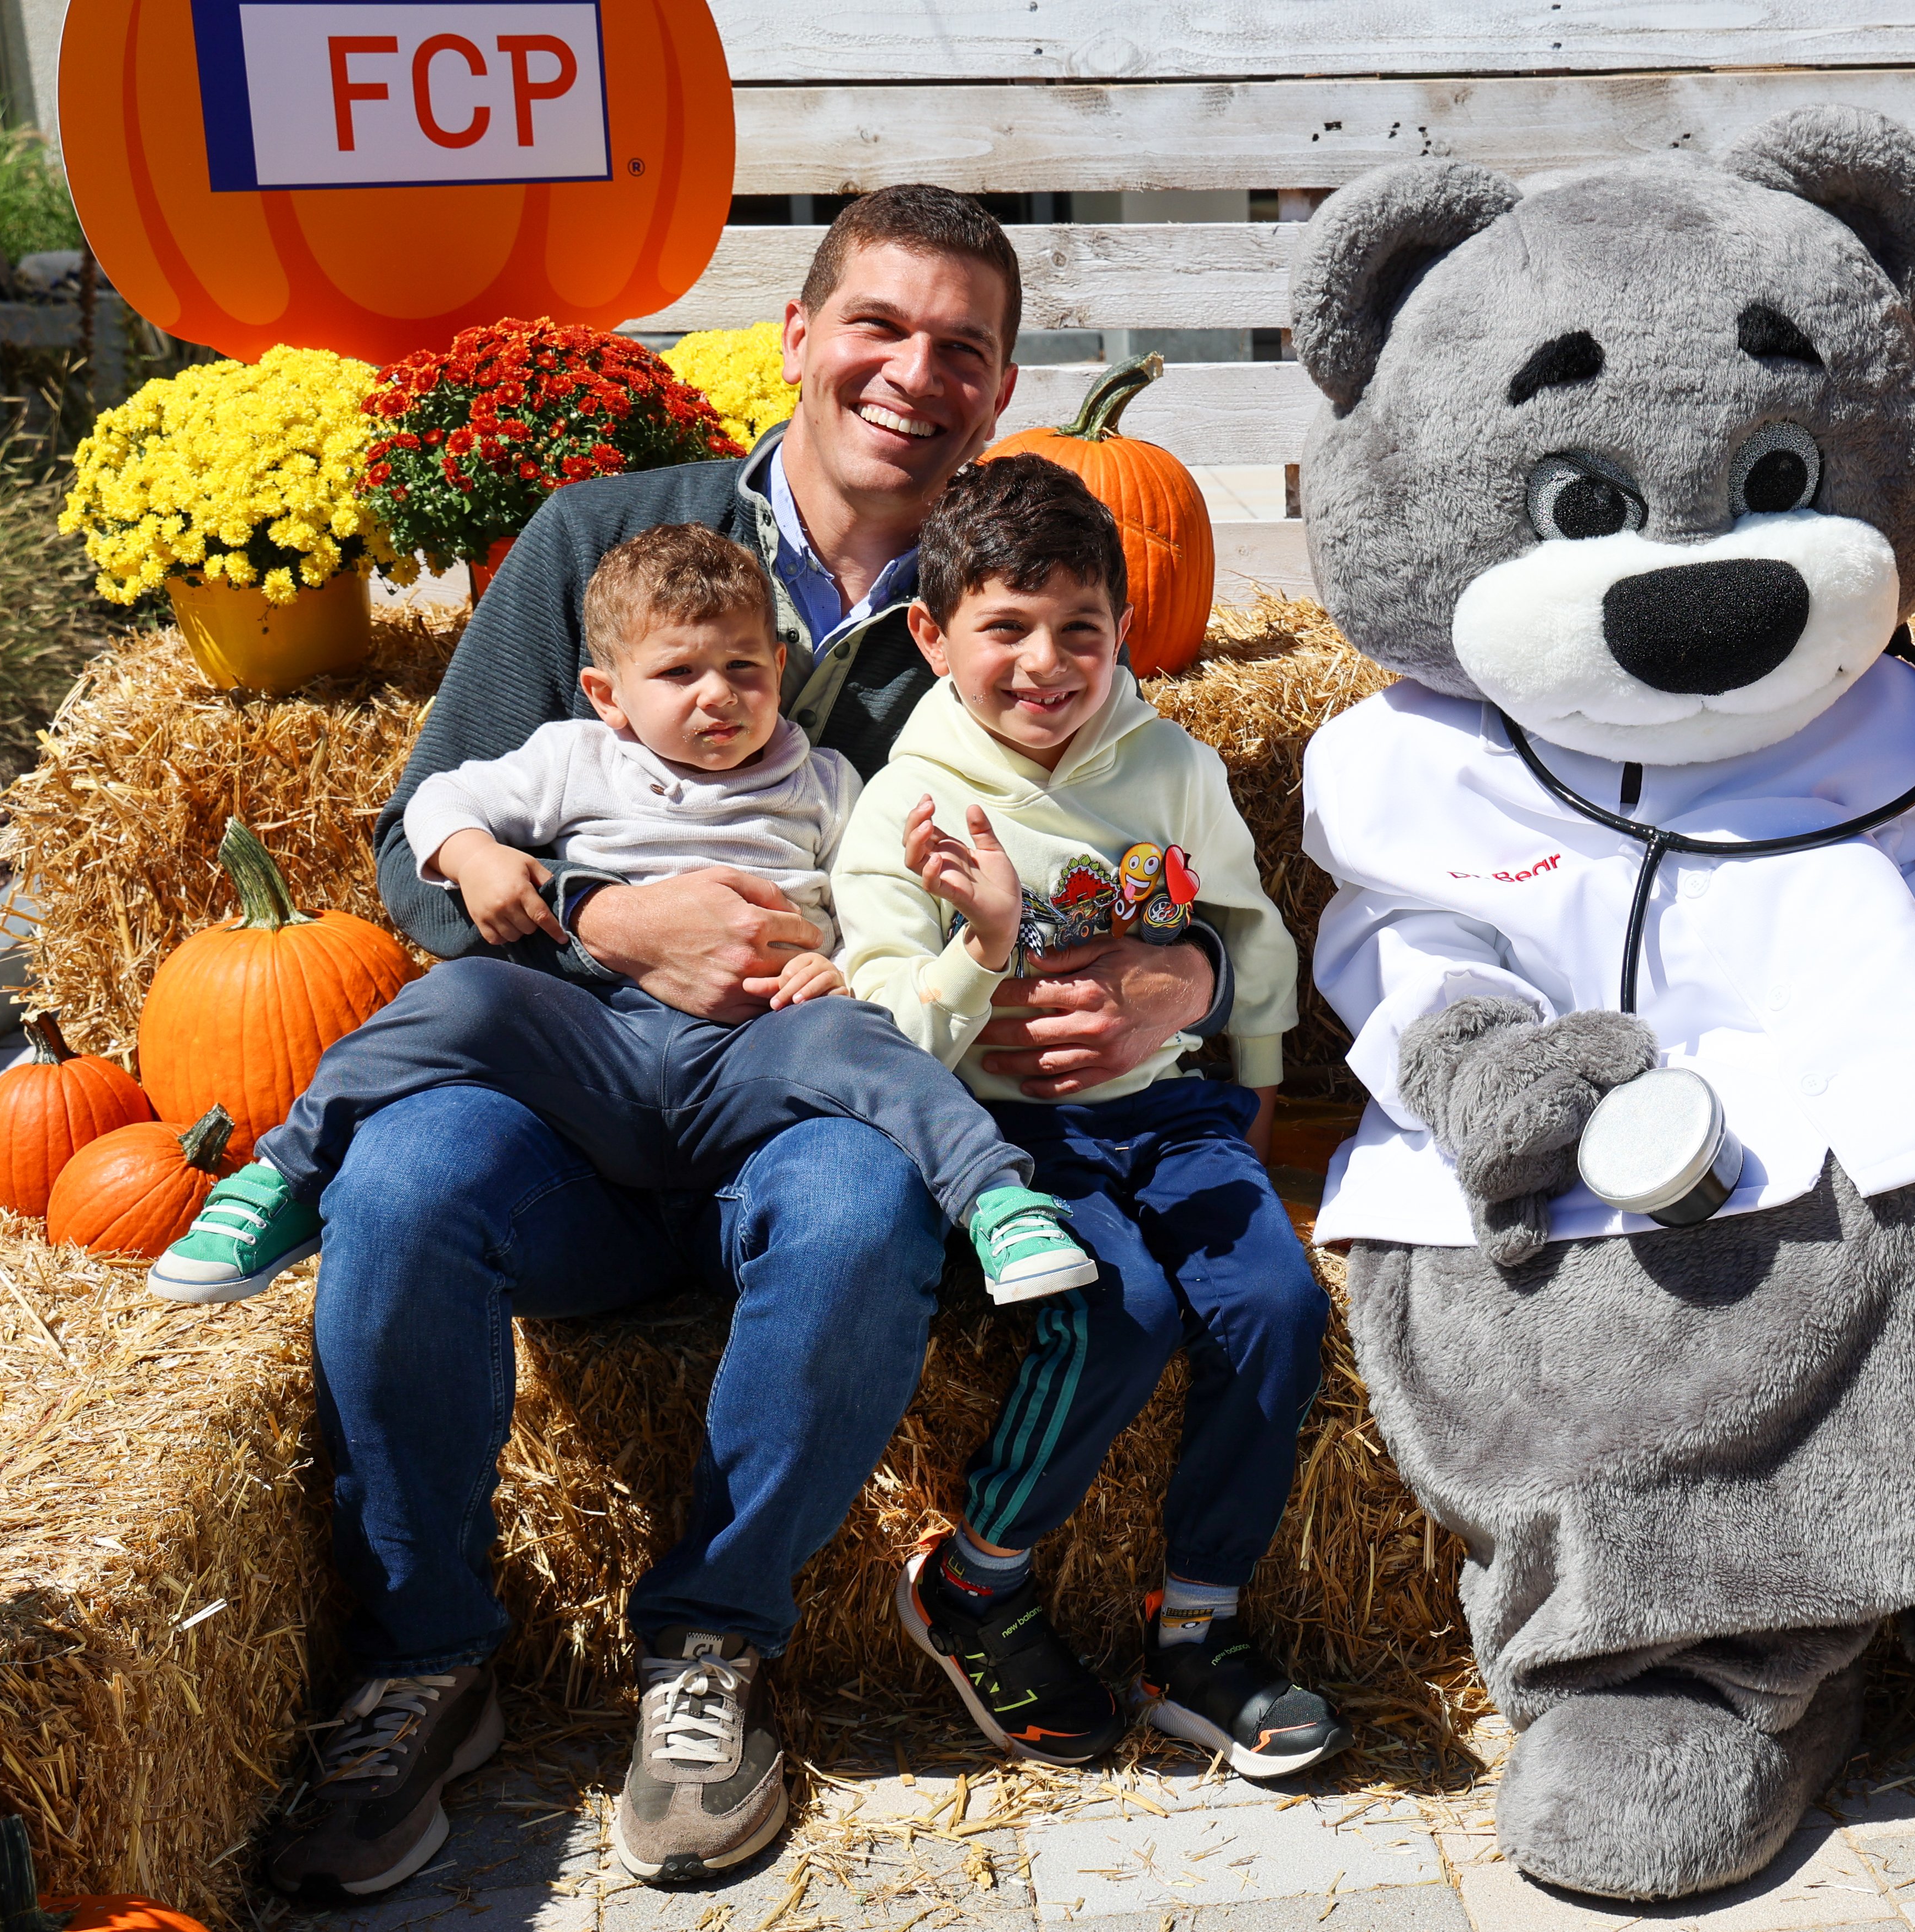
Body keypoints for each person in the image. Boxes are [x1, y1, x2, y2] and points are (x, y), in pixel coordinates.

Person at [262, 187, 1225, 1902]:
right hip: (565, 1093)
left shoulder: (1017, 602)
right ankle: (427, 1657)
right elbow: (421, 835)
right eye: (880, 326)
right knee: (403, 1181)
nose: (913, 373)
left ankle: (708, 1651)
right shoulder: (600, 541)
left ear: (998, 391)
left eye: (963, 349)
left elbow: (1152, 852)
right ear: (795, 337)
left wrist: (1191, 983)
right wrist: (591, 914)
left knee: (863, 1205)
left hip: (807, 1101)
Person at [147, 524, 1097, 1317]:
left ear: (778, 664)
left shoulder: (826, 782)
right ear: (609, 696)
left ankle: (997, 1201)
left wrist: (837, 967)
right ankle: (285, 1178)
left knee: (863, 1041)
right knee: (463, 994)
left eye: (741, 666)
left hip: (755, 1048)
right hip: (590, 1033)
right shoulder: (573, 759)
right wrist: (475, 856)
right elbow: (436, 803)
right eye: (678, 672)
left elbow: (867, 904)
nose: (717, 694)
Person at [835, 456, 1350, 1780]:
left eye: (1083, 627)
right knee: (1120, 1309)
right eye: (1006, 627)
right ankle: (978, 1575)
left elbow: (1242, 925)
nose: (1048, 662)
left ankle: (1197, 1627)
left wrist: (1246, 1073)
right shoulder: (906, 808)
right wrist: (987, 947)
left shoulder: (1171, 764)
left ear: (1124, 628)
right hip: (1005, 1142)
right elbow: (882, 1025)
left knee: (1279, 1307)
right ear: (932, 635)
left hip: (1174, 1114)